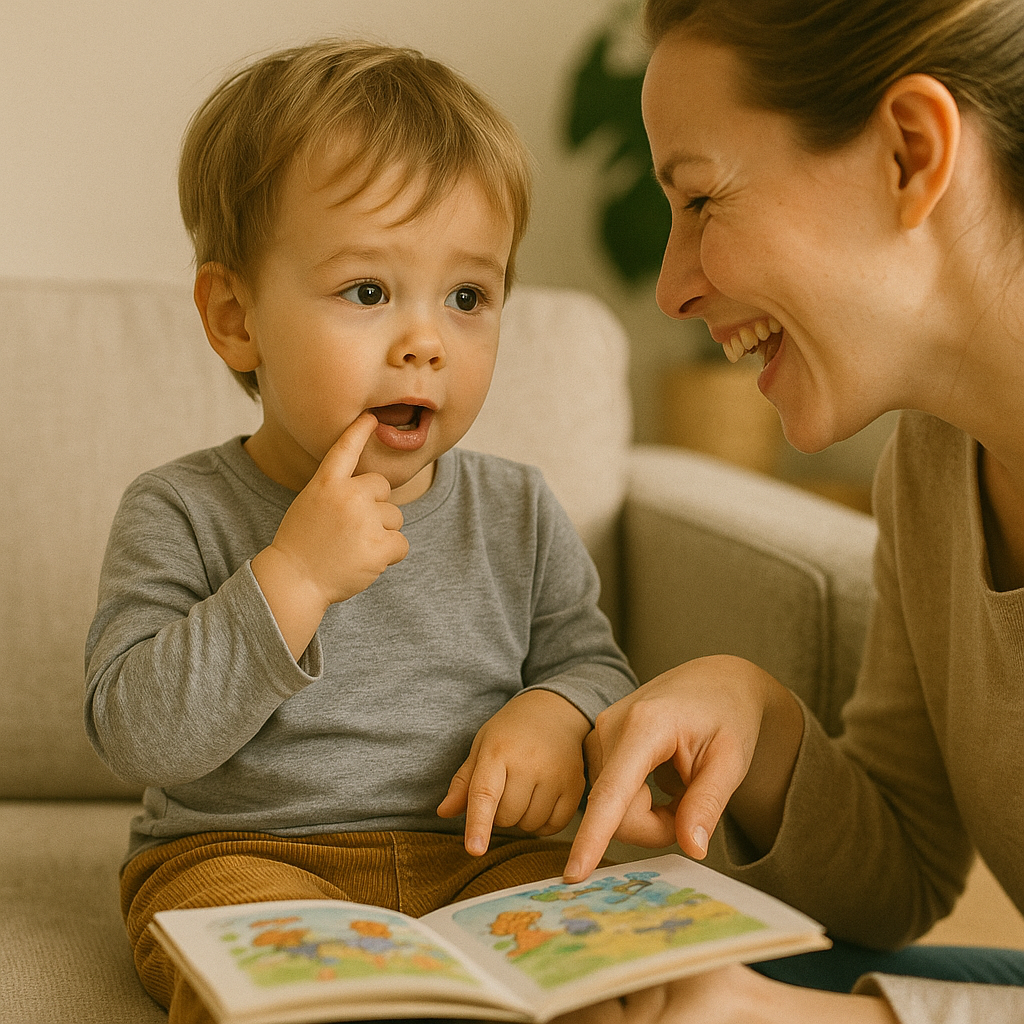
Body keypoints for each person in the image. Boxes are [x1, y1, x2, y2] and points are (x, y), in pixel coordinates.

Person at [83, 40, 636, 1024]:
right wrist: (292, 576)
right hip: (246, 857)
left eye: (467, 297)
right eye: (369, 292)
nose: (425, 341)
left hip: (482, 859)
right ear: (236, 316)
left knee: (616, 977)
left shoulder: (517, 508)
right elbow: (137, 734)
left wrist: (557, 710)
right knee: (275, 995)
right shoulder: (179, 510)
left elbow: (595, 664)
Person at [555, 0, 1024, 1022]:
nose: (672, 288)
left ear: (910, 153)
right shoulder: (932, 466)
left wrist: (849, 1019)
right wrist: (758, 720)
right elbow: (899, 873)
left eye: (701, 199)